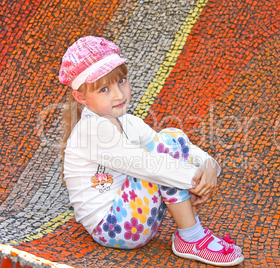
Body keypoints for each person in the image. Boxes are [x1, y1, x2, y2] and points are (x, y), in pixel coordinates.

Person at [59, 36, 244, 266]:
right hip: (111, 226)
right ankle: (192, 237)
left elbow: (171, 147)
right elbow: (148, 165)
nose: (119, 94)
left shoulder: (128, 122)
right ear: (81, 97)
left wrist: (209, 166)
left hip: (133, 219)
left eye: (122, 81)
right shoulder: (91, 129)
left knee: (171, 136)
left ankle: (192, 234)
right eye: (104, 89)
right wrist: (195, 179)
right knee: (166, 145)